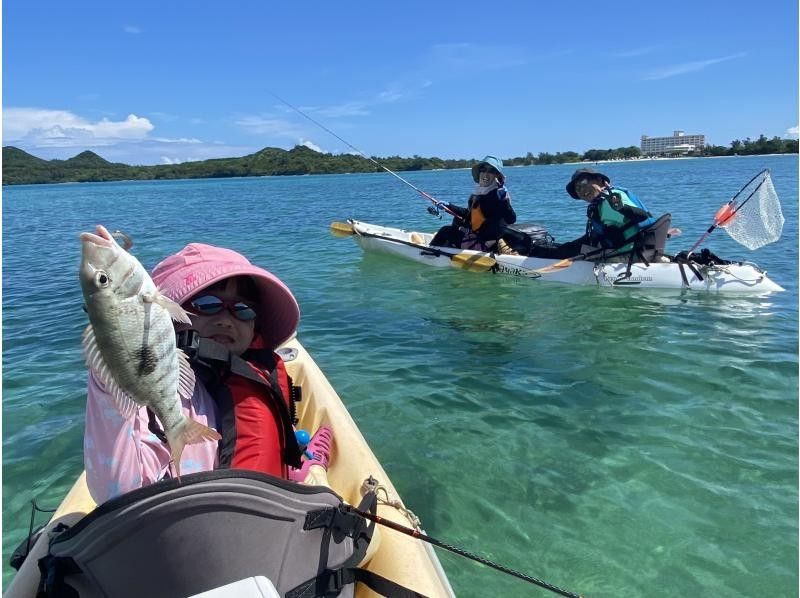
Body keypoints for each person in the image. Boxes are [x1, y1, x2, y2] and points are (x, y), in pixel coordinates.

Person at [84, 243, 332, 504]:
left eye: (243, 309)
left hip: (270, 506)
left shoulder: (252, 374)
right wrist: (110, 357)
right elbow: (119, 492)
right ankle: (310, 463)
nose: (226, 319)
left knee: (300, 458)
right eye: (207, 303)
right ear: (167, 314)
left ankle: (306, 462)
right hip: (204, 528)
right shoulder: (160, 405)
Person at [529, 168, 656, 259]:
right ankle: (534, 252)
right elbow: (596, 235)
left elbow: (642, 216)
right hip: (619, 248)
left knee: (557, 252)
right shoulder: (599, 204)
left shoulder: (614, 197)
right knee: (560, 248)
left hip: (626, 253)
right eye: (577, 189)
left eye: (583, 183)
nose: (581, 190)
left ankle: (527, 259)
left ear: (600, 180)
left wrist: (622, 208)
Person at [429, 155, 516, 251]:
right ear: (479, 173)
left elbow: (511, 219)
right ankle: (447, 248)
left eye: (491, 171)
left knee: (445, 231)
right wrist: (448, 206)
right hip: (477, 235)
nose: (486, 174)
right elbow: (469, 214)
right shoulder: (478, 194)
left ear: (497, 175)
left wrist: (503, 201)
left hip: (485, 243)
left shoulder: (497, 194)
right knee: (457, 221)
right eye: (483, 169)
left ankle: (430, 253)